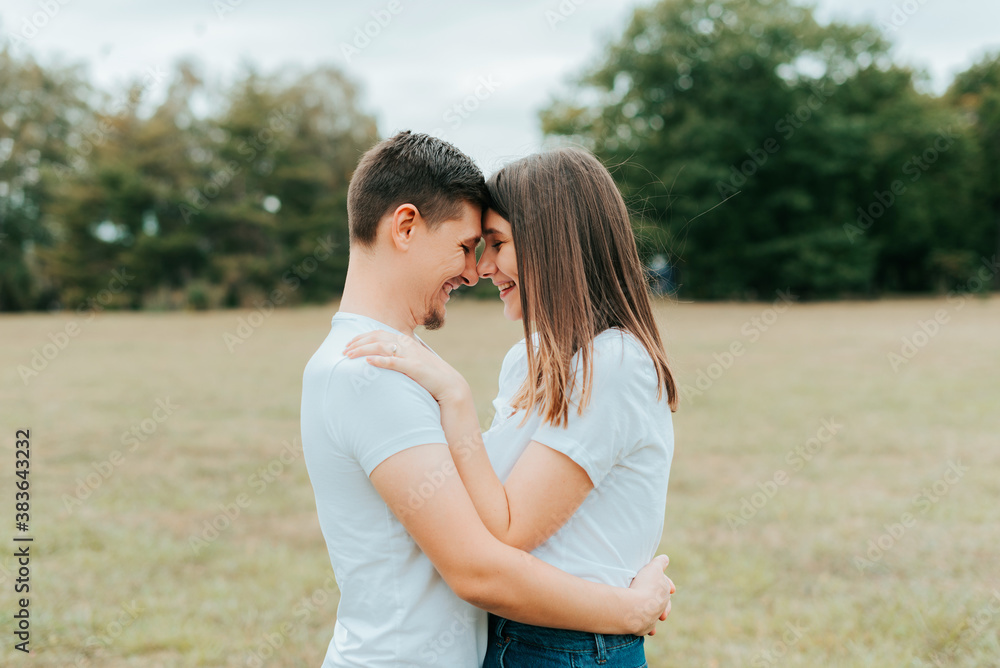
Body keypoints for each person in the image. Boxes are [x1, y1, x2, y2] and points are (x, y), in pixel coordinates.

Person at [301, 132, 674, 668]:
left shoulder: (398, 360)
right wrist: (629, 610)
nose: (477, 270)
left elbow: (505, 521)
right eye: (468, 246)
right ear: (405, 227)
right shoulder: (370, 370)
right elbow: (480, 564)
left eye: (494, 245)